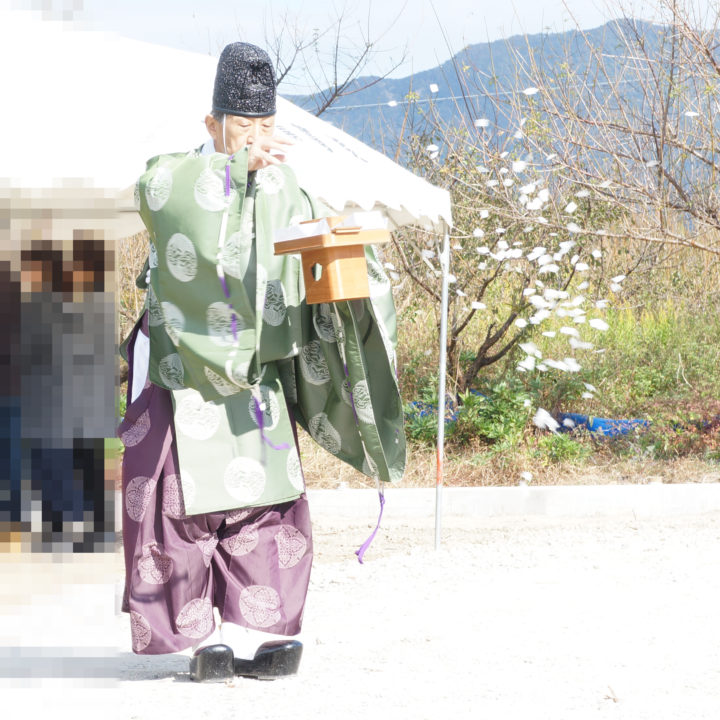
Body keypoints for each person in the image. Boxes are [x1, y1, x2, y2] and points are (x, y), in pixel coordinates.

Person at [118, 42, 405, 683]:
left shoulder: (287, 186)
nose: (256, 140)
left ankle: (258, 636)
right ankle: (199, 640)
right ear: (211, 125)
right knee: (180, 511)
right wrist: (231, 174)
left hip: (257, 382)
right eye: (242, 128)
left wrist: (341, 246)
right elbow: (163, 197)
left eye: (266, 128)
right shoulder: (174, 175)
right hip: (182, 375)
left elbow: (306, 255)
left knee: (267, 511)